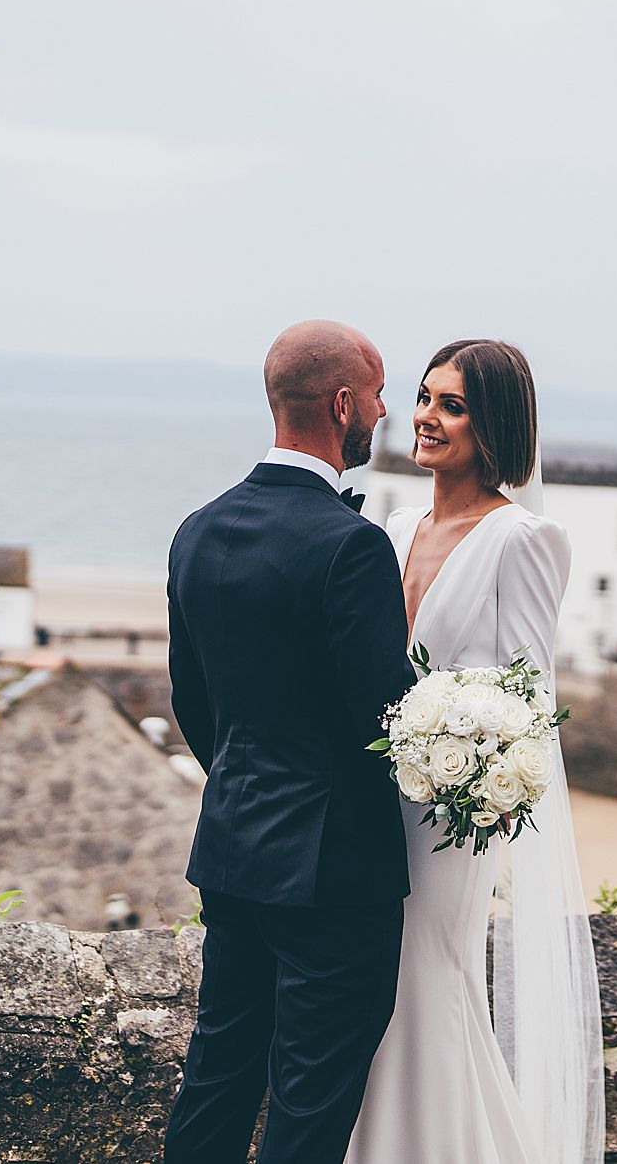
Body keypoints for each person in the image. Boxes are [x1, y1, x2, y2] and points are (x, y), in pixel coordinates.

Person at [163, 320, 417, 1164]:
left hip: (233, 851)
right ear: (344, 403)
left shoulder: (197, 530)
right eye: (379, 393)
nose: (384, 410)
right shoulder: (352, 545)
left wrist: (249, 783)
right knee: (310, 1105)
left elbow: (193, 704)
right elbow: (385, 721)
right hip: (333, 876)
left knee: (220, 1073)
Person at [345, 338, 605, 1164]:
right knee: (376, 984)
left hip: (450, 818)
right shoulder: (390, 528)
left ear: (494, 423)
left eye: (452, 405)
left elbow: (528, 699)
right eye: (424, 397)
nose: (426, 417)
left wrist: (457, 748)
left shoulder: (523, 538)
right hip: (371, 803)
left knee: (427, 976)